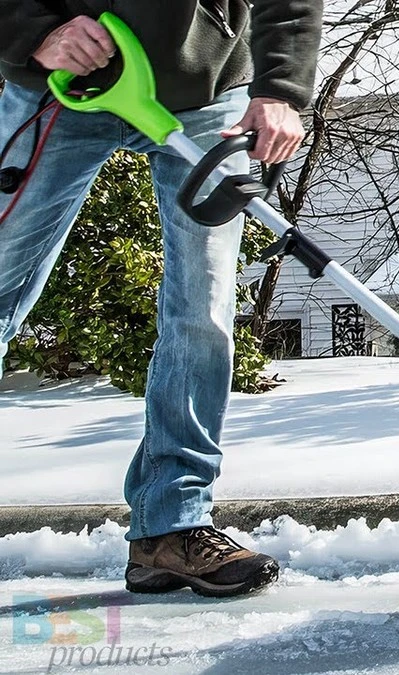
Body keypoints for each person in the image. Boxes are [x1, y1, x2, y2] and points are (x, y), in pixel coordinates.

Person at [0, 1, 322, 598]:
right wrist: (29, 30)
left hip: (204, 96)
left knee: (202, 313)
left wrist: (280, 89)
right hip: (64, 83)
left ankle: (171, 528)